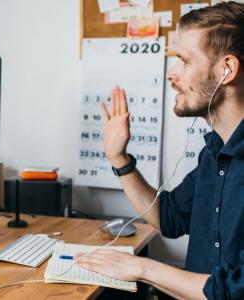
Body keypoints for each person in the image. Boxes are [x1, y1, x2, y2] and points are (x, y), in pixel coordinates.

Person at [75, 3, 244, 299]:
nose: (172, 74)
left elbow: (232, 291)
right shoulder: (215, 152)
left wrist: (141, 268)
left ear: (226, 70)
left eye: (184, 61)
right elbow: (168, 217)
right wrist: (119, 158)